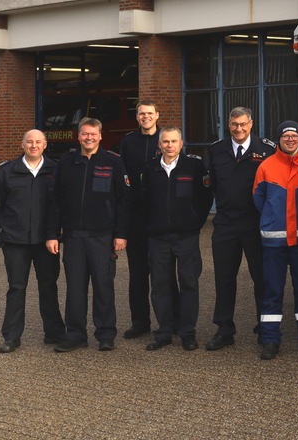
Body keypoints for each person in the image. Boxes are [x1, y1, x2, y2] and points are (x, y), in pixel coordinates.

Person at [46, 118, 130, 352]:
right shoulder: (65, 163)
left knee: (104, 286)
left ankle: (105, 334)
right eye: (84, 134)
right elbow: (55, 202)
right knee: (75, 287)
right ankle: (75, 335)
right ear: (78, 136)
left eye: (93, 134)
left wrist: (121, 234)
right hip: (73, 237)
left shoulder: (114, 162)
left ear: (100, 136)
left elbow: (124, 201)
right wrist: (52, 234)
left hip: (102, 237)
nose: (89, 138)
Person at [0, 129, 65, 352]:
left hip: (46, 242)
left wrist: (60, 234)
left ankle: (54, 332)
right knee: (16, 288)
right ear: (23, 145)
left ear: (45, 145)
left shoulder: (55, 170)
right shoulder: (7, 171)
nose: (34, 146)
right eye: (29, 142)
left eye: (38, 142)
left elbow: (62, 205)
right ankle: (11, 336)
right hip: (15, 242)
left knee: (48, 287)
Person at [204, 106, 274, 351]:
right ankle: (224, 329)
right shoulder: (216, 151)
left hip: (255, 223)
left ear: (251, 123)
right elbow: (208, 187)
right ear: (229, 125)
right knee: (224, 278)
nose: (239, 128)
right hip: (225, 223)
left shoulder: (266, 150)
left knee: (261, 278)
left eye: (243, 124)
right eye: (234, 124)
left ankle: (265, 327)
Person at [142, 127, 212, 352]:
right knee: (160, 286)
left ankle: (187, 333)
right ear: (159, 144)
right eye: (165, 142)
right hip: (158, 238)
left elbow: (205, 198)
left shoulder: (194, 167)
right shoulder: (149, 169)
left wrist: (194, 223)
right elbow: (142, 201)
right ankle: (164, 332)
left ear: (181, 144)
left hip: (186, 237)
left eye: (174, 141)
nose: (169, 145)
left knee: (189, 283)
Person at [252, 121, 298, 360]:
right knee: (272, 290)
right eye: (286, 135)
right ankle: (270, 339)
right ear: (278, 139)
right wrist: (273, 220)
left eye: (294, 135)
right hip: (274, 242)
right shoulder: (266, 166)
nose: (290, 139)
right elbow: (259, 200)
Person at [117, 100, 162, 340]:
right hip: (135, 218)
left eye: (149, 113)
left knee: (163, 274)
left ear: (157, 115)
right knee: (137, 274)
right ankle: (140, 322)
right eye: (141, 114)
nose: (145, 117)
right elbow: (121, 176)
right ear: (137, 117)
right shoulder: (128, 142)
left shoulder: (165, 140)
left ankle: (169, 322)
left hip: (160, 217)